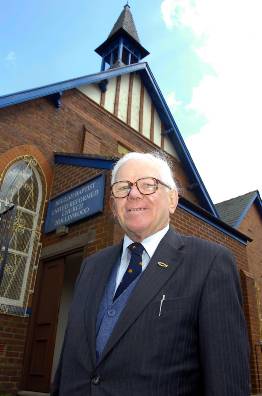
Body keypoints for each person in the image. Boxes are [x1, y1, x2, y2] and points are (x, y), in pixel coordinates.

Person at [51, 152, 250, 396]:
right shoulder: (91, 266)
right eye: (123, 187)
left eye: (148, 184)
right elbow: (67, 365)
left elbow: (226, 382)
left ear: (173, 200)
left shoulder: (210, 263)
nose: (134, 194)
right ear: (114, 206)